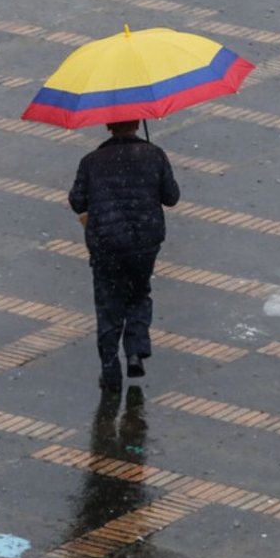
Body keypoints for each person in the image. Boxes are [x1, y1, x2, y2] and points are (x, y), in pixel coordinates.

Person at [69, 120, 180, 392]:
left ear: (108, 125)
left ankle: (110, 373)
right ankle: (135, 350)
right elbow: (171, 197)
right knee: (139, 294)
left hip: (106, 245)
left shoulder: (91, 161)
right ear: (138, 122)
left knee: (108, 306)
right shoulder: (154, 154)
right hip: (144, 243)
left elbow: (77, 201)